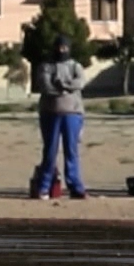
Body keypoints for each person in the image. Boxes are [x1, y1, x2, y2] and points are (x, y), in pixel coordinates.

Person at [34, 35, 87, 199]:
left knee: (72, 152)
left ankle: (75, 187)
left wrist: (64, 86)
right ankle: (44, 187)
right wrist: (63, 89)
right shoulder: (46, 66)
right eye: (59, 47)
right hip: (50, 113)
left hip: (73, 113)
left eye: (65, 47)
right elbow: (45, 85)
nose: (61, 50)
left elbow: (80, 82)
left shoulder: (75, 66)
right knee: (50, 152)